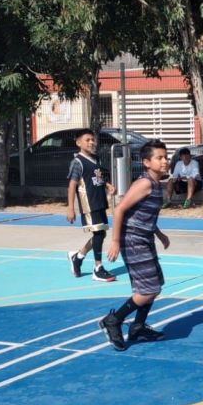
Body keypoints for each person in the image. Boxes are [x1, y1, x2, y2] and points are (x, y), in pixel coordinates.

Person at [99, 140, 172, 351]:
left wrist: (158, 233)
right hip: (133, 240)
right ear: (147, 162)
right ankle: (113, 320)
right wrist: (114, 241)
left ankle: (138, 327)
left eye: (165, 157)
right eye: (159, 158)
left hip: (145, 237)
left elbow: (143, 213)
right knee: (149, 289)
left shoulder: (156, 183)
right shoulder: (145, 183)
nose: (164, 161)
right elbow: (120, 209)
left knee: (154, 285)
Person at [66, 129, 117, 282]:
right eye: (87, 140)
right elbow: (72, 185)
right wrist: (70, 208)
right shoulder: (77, 162)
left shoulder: (95, 158)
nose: (91, 142)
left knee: (100, 233)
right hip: (89, 204)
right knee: (99, 234)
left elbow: (98, 175)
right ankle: (98, 268)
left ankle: (78, 257)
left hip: (100, 201)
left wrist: (108, 185)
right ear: (78, 143)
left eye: (92, 139)